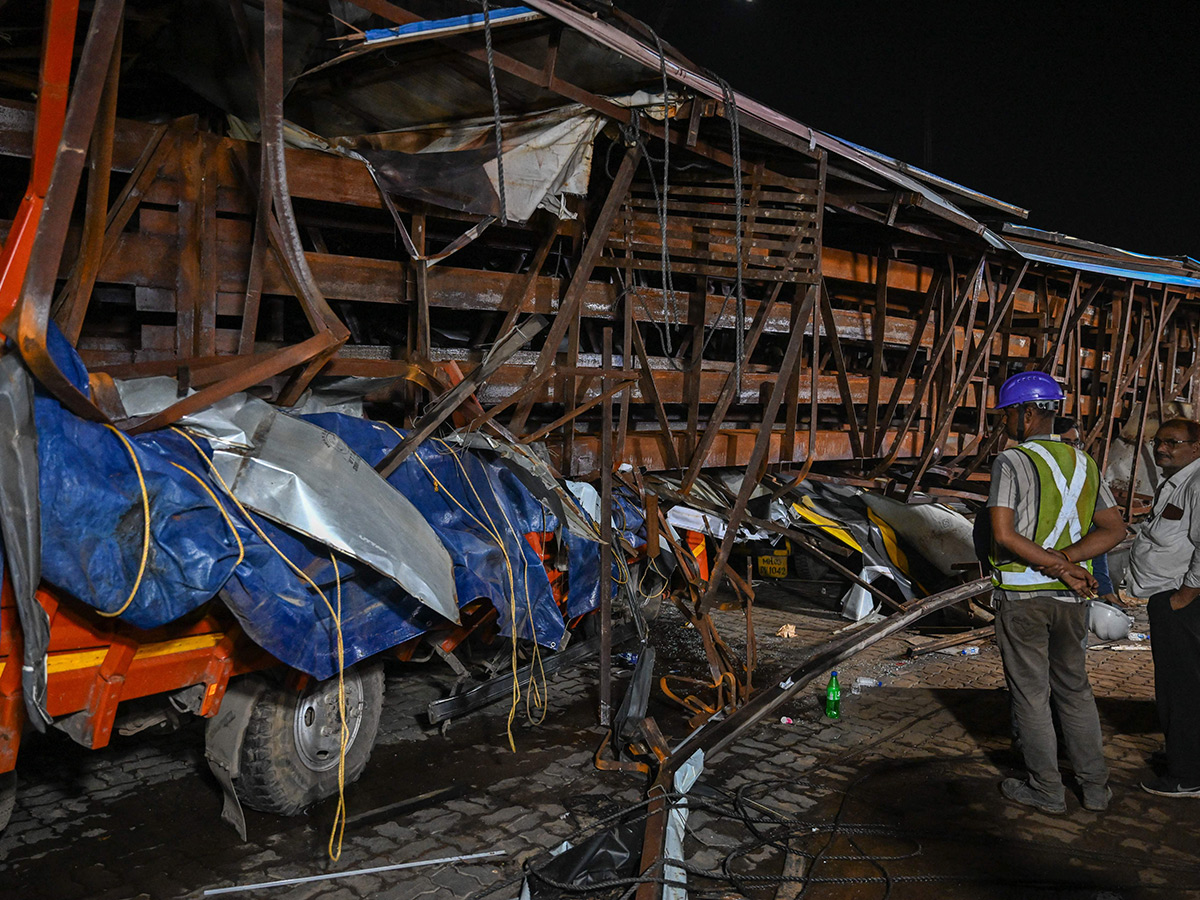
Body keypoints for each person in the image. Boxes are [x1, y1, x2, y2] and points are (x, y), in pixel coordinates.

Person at [987, 372, 1127, 814]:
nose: (1005, 423)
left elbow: (1004, 536)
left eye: (1007, 413)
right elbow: (1114, 530)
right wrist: (1066, 564)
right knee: (1075, 691)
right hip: (1071, 600)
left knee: (1031, 696)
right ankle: (1096, 789)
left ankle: (1047, 791)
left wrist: (1057, 564)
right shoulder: (1084, 463)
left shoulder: (1010, 462)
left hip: (1023, 598)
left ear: (1028, 413)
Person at [1124, 417, 1200, 798]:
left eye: (1173, 442)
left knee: (1180, 689)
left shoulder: (1198, 484)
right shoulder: (1178, 482)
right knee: (1186, 685)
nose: (1162, 448)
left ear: (1196, 447)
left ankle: (1186, 774)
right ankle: (1186, 756)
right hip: (1175, 600)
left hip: (1183, 603)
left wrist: (1181, 599)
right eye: (1159, 441)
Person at [1055, 416, 1119, 606]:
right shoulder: (1032, 473)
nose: (1073, 449)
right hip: (1037, 585)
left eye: (1077, 443)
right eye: (1066, 442)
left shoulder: (1086, 474)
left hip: (1078, 585)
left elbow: (1099, 534)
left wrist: (1104, 587)